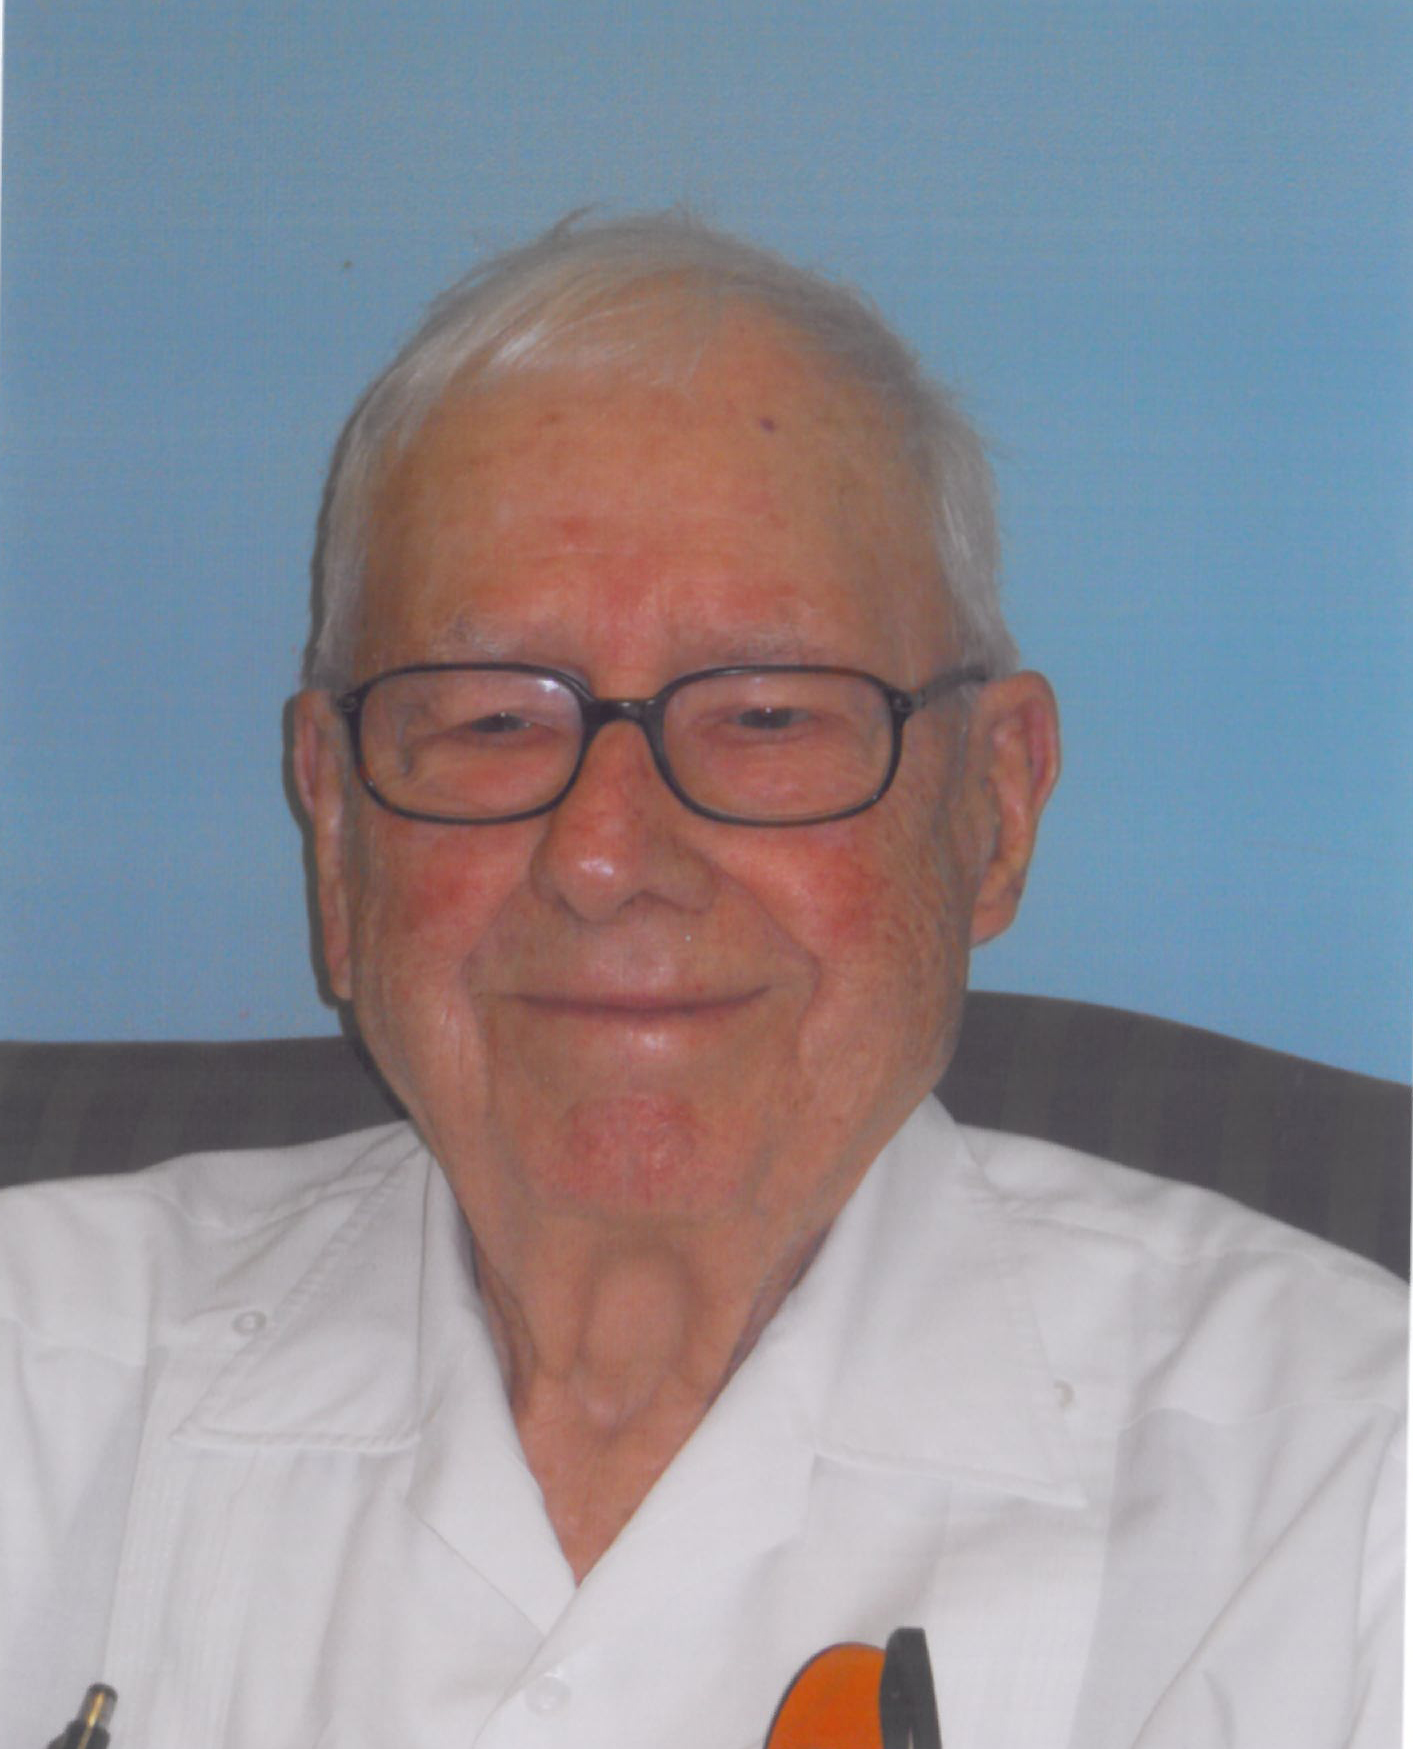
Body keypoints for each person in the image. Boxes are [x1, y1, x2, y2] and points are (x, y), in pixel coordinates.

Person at [1, 213, 1403, 1748]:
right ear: (335, 837)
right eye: (491, 721)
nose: (605, 854)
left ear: (992, 811)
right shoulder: (38, 1385)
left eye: (766, 715)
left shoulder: (1340, 1497)